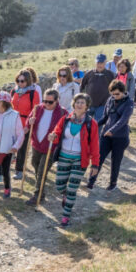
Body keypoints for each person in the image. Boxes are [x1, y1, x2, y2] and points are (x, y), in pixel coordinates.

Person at [48, 94, 99, 227]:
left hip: (79, 160)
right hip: (64, 157)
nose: (79, 104)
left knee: (72, 189)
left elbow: (94, 145)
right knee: (60, 185)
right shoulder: (65, 119)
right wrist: (53, 136)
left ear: (87, 106)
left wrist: (95, 164)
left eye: (82, 102)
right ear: (73, 104)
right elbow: (57, 133)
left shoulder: (91, 123)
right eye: (77, 102)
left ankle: (66, 215)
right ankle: (65, 195)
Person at [87, 80, 134, 191]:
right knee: (98, 158)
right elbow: (104, 118)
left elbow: (123, 120)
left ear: (123, 92)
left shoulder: (129, 103)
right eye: (112, 94)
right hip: (106, 135)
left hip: (120, 137)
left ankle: (113, 183)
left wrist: (112, 130)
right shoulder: (110, 100)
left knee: (115, 161)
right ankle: (91, 181)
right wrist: (93, 125)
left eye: (117, 94)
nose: (114, 96)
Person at [25, 89, 68, 205]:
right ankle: (41, 187)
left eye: (50, 102)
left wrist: (56, 137)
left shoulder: (63, 113)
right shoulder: (37, 109)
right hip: (36, 144)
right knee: (35, 164)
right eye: (45, 101)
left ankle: (38, 194)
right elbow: (28, 123)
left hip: (51, 147)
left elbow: (66, 130)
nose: (47, 104)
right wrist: (30, 122)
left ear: (56, 101)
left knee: (42, 169)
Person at [11, 69, 40, 180]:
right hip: (13, 122)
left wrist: (28, 125)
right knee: (10, 145)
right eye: (18, 80)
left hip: (25, 124)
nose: (20, 83)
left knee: (22, 148)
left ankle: (19, 170)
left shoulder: (33, 93)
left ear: (28, 81)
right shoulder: (14, 91)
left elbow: (35, 111)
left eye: (22, 81)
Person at [80, 53, 115, 123]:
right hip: (89, 104)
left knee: (98, 125)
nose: (99, 65)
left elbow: (115, 88)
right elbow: (82, 86)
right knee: (85, 124)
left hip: (103, 105)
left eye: (101, 63)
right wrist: (83, 99)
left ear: (105, 63)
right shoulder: (89, 73)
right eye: (98, 62)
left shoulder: (110, 74)